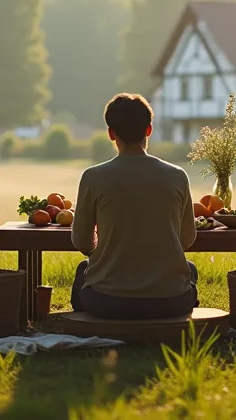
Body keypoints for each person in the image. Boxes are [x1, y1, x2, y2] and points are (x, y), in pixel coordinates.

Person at [69, 93, 199, 319]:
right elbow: (186, 240)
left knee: (84, 269)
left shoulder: (93, 177)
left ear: (111, 133)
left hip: (108, 301)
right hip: (171, 301)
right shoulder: (177, 176)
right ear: (149, 130)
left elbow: (82, 242)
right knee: (191, 270)